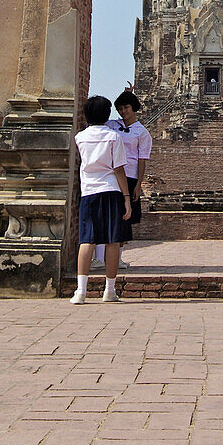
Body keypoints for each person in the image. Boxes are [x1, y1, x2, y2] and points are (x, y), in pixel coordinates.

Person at [70, 95, 132, 304]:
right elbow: (119, 170)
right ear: (107, 116)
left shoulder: (80, 137)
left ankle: (81, 291)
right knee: (112, 241)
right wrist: (126, 198)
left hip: (89, 192)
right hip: (112, 190)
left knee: (87, 240)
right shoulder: (114, 137)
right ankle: (110, 290)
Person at [107, 88, 152, 268]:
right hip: (111, 175)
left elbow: (142, 160)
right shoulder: (112, 125)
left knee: (124, 218)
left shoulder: (142, 132)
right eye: (120, 108)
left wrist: (138, 185)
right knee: (111, 215)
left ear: (134, 108)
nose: (123, 112)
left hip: (131, 176)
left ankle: (118, 258)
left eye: (126, 107)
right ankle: (101, 257)